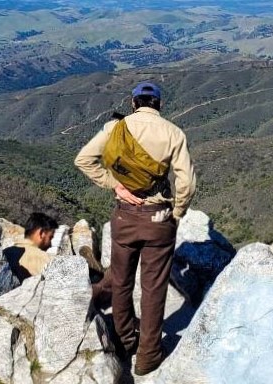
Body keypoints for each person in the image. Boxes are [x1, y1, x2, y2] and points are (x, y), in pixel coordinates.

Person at [75, 81, 196, 376]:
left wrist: (114, 185)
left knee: (121, 280)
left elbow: (83, 160)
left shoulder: (114, 129)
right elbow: (187, 184)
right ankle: (148, 355)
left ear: (133, 103)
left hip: (125, 218)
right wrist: (176, 215)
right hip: (158, 219)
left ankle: (126, 337)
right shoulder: (173, 133)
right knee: (153, 289)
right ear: (159, 105)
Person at [3, 212, 58, 281]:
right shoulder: (45, 259)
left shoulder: (5, 252)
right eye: (50, 237)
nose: (50, 245)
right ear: (41, 233)